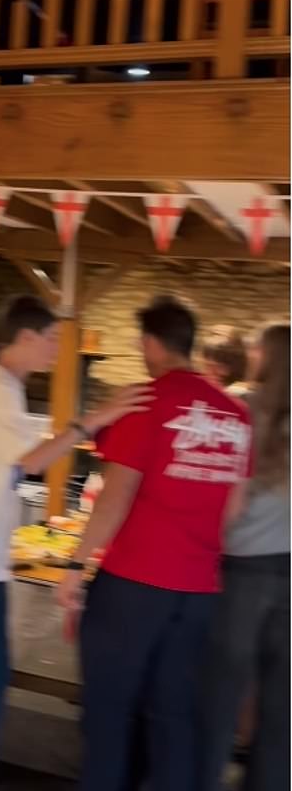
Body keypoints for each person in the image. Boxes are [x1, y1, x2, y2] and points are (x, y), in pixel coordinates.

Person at [0, 295, 151, 791]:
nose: (54, 351)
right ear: (25, 337)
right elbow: (32, 460)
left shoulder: (0, 389)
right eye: (50, 340)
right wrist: (98, 416)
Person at [58, 295, 252, 791]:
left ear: (149, 343)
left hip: (133, 586)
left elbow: (115, 496)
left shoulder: (146, 402)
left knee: (107, 715)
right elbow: (234, 511)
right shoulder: (237, 415)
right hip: (202, 591)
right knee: (172, 717)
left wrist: (76, 566)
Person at [201, 322, 290, 791]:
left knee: (220, 694)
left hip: (240, 568)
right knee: (281, 708)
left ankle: (201, 780)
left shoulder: (237, 406)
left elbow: (219, 493)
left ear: (266, 356)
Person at [202, 325, 250, 399]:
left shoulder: (242, 396)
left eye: (220, 366)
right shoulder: (202, 391)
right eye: (208, 366)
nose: (212, 372)